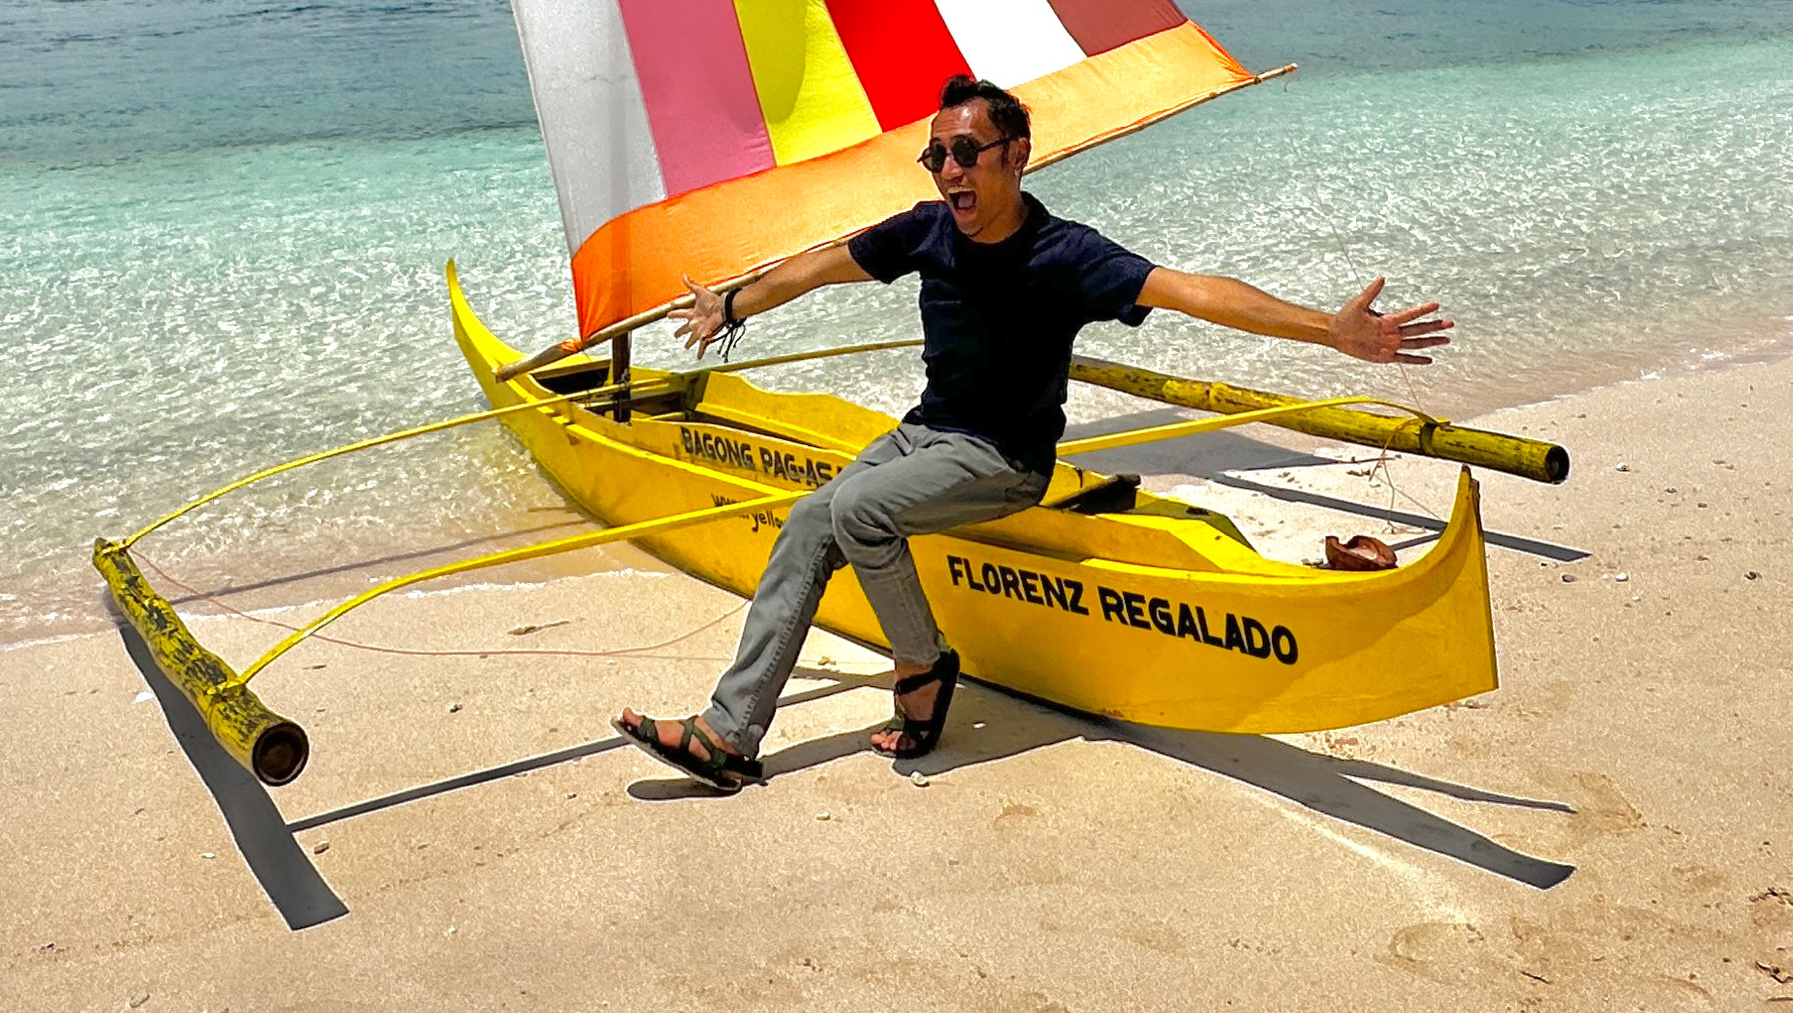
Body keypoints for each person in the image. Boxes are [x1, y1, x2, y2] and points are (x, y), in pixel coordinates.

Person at [612, 72, 1452, 792]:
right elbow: (824, 263)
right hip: (923, 436)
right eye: (936, 155)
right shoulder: (926, 230)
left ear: (1016, 155)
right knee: (809, 518)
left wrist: (1329, 331)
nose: (948, 170)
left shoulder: (1067, 256)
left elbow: (1199, 292)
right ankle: (730, 736)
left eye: (966, 153)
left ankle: (924, 669)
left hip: (1002, 459)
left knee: (858, 510)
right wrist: (731, 304)